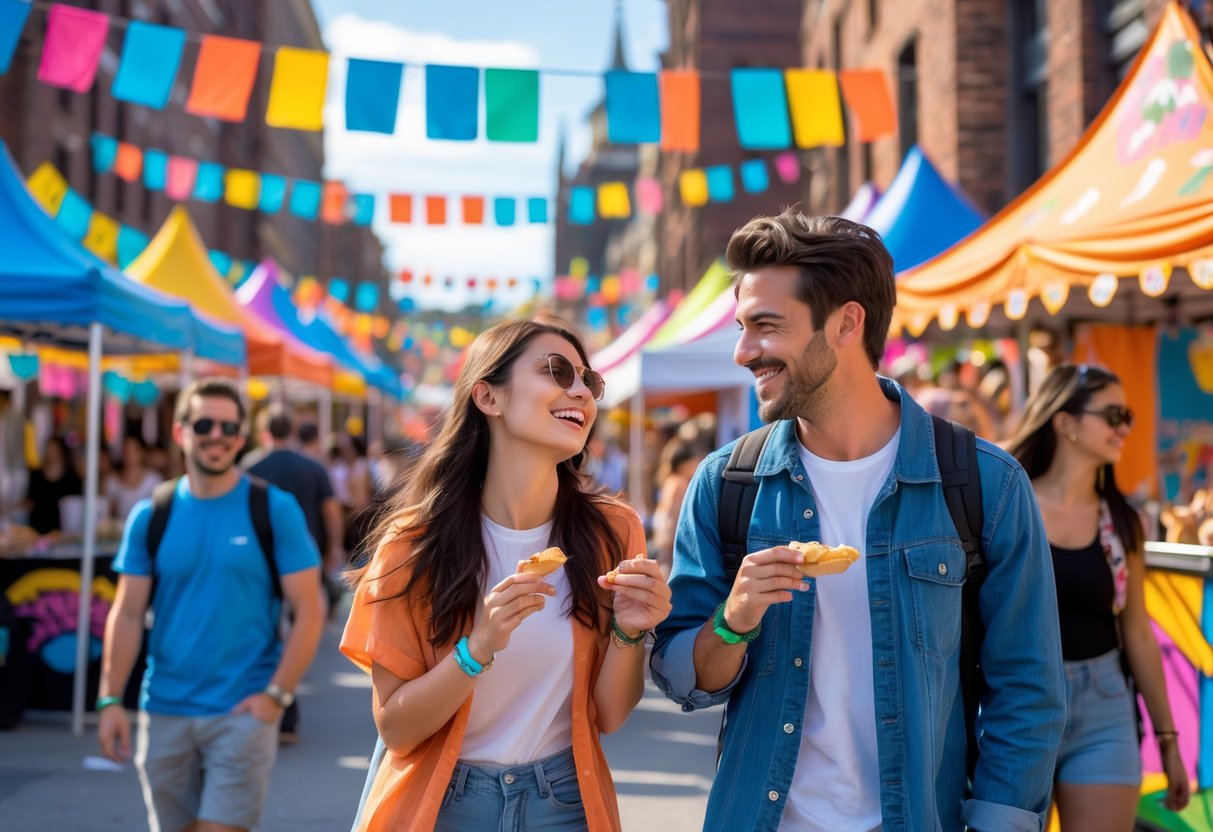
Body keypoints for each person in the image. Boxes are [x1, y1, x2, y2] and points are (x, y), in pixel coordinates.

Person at [650, 210, 1066, 832]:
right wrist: (733, 621)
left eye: (766, 326)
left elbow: (1028, 690)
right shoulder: (724, 484)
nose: (742, 351)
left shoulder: (985, 484)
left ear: (847, 322)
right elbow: (685, 678)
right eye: (742, 327)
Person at [340, 316, 671, 831]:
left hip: (563, 802)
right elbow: (397, 728)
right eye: (557, 371)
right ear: (487, 397)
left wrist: (630, 633)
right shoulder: (411, 543)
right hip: (443, 803)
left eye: (589, 380)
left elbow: (610, 714)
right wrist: (478, 648)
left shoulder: (614, 530)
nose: (581, 391)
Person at [96, 378, 325, 832]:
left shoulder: (273, 508)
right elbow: (125, 613)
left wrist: (276, 696)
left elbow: (310, 608)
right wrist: (109, 699)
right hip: (164, 708)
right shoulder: (151, 514)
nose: (216, 435)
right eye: (204, 424)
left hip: (242, 709)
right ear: (180, 432)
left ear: (242, 437)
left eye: (228, 426)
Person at [1004, 364, 1191, 828]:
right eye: (1112, 415)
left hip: (1106, 704)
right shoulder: (1007, 503)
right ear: (1065, 422)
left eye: (1127, 415)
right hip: (1019, 705)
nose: (1125, 427)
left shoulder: (1123, 520)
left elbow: (1138, 633)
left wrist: (1168, 739)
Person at [244, 404, 346, 740]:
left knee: (269, 630)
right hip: (305, 558)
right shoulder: (312, 467)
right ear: (290, 430)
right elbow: (330, 510)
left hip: (259, 560)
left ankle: (277, 705)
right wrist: (334, 547)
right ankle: (284, 708)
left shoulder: (250, 466)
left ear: (264, 432)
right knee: (299, 624)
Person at [24, 436, 82, 535]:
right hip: (38, 529)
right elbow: (30, 501)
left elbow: (76, 503)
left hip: (63, 531)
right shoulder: (36, 476)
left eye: (54, 450)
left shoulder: (72, 477)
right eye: (49, 449)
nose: (51, 453)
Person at [104, 435, 163, 522]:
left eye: (132, 450)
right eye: (126, 450)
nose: (128, 454)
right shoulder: (111, 481)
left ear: (141, 453)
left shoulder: (154, 480)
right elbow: (105, 513)